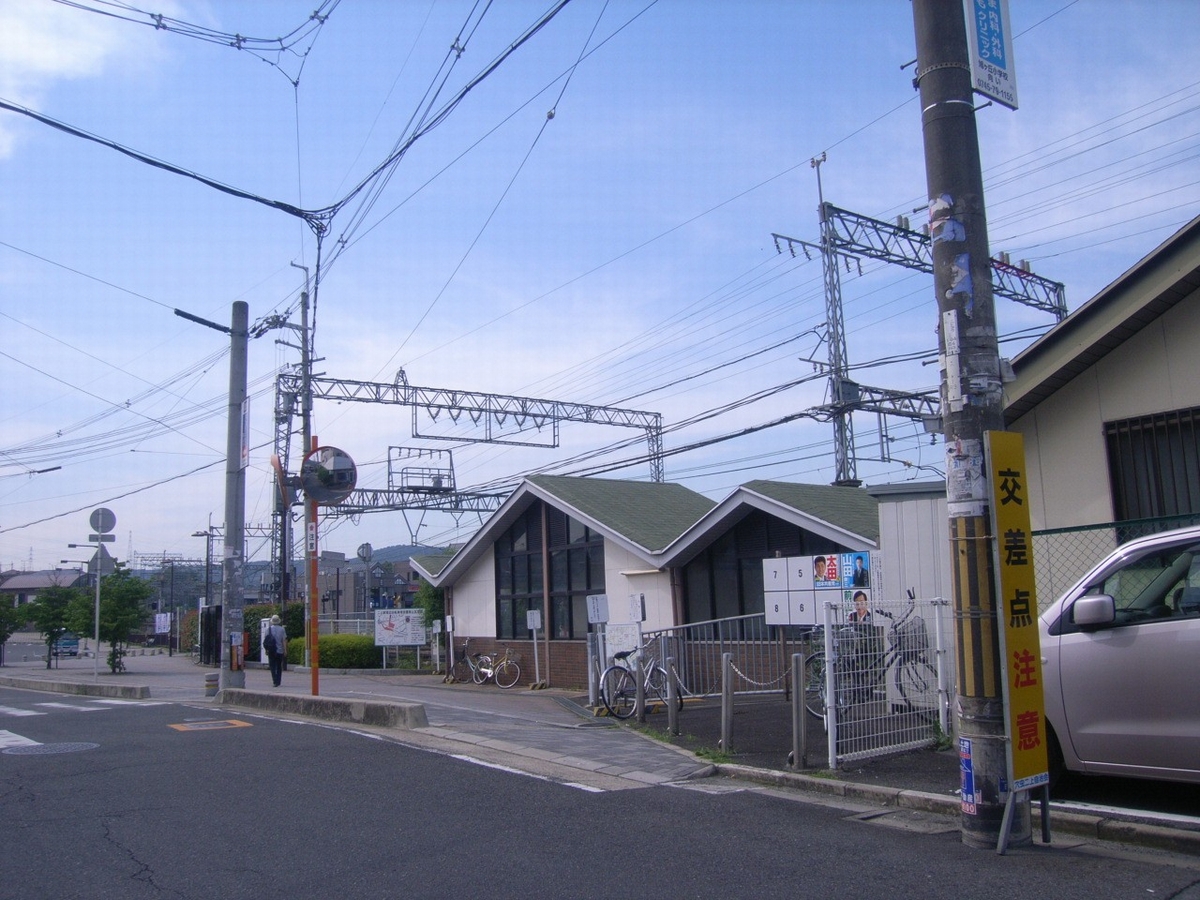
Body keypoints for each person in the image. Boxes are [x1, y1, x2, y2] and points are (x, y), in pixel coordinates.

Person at [265, 614, 287, 687]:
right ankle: (278, 680)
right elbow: (283, 640)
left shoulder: (268, 629)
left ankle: (274, 681)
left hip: (271, 650)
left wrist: (266, 650)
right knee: (279, 666)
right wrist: (285, 650)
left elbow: (266, 641)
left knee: (272, 666)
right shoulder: (282, 629)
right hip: (279, 650)